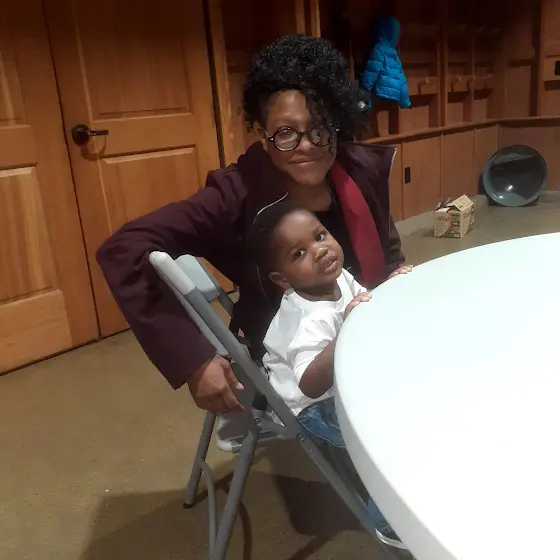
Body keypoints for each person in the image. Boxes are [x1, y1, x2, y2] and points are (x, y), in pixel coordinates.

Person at [96, 34, 410, 413]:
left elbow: (388, 250)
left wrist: (397, 276)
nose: (306, 145)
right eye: (286, 132)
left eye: (320, 127)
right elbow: (123, 249)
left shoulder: (357, 169)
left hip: (368, 320)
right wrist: (194, 360)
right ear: (263, 136)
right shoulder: (235, 194)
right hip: (303, 359)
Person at [253, 201, 410, 546]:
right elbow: (310, 384)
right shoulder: (309, 320)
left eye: (320, 235)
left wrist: (389, 287)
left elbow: (364, 303)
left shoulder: (337, 277)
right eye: (299, 253)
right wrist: (346, 331)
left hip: (343, 378)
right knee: (381, 437)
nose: (319, 250)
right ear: (283, 280)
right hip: (311, 405)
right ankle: (387, 521)